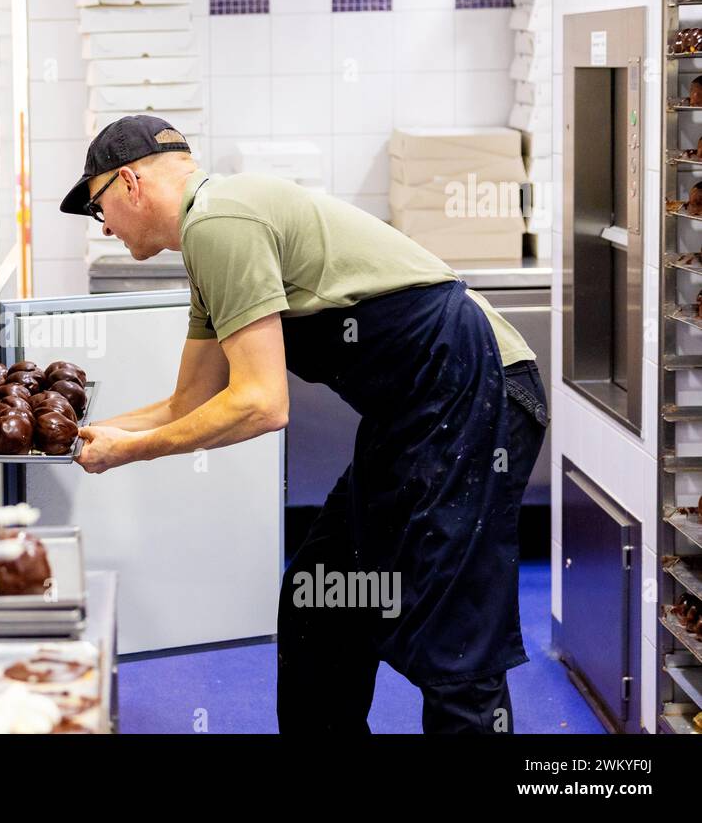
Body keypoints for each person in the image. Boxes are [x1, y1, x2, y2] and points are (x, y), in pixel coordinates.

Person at [60, 115, 549, 734]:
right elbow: (189, 400)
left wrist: (129, 453)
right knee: (322, 601)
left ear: (130, 182)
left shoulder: (220, 223)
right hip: (412, 416)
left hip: (480, 392)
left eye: (97, 204)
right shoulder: (213, 230)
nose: (101, 225)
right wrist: (73, 436)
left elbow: (261, 403)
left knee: (453, 637)